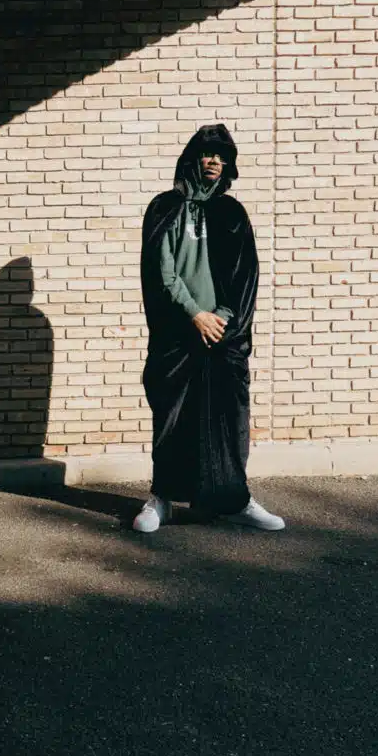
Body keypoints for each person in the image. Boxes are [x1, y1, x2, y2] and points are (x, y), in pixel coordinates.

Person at [136, 124, 284, 533]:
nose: (215, 161)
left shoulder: (233, 214)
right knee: (172, 417)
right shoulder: (164, 208)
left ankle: (236, 499)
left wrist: (220, 317)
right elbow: (161, 271)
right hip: (177, 336)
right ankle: (162, 500)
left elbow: (244, 275)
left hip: (223, 334)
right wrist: (194, 314)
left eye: (222, 155)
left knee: (228, 419)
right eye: (208, 153)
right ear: (192, 159)